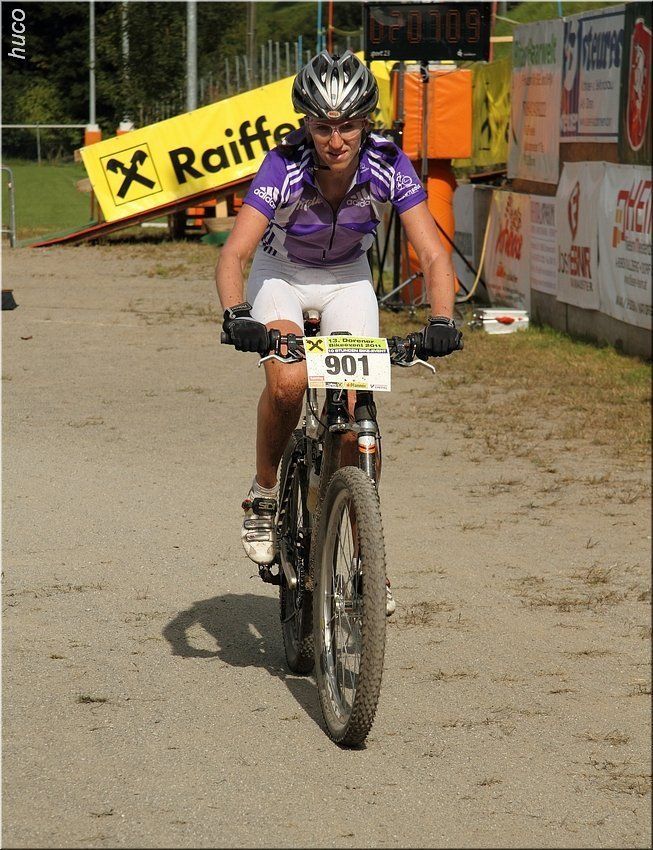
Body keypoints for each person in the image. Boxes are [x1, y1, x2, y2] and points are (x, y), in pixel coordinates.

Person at [216, 51, 462, 616]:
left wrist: (442, 320)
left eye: (347, 125)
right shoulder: (283, 166)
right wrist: (237, 315)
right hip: (281, 274)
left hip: (347, 279)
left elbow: (432, 252)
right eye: (323, 127)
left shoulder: (389, 163)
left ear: (366, 122)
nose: (335, 140)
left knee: (355, 413)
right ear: (306, 123)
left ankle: (364, 554)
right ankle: (263, 492)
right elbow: (234, 254)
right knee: (288, 384)